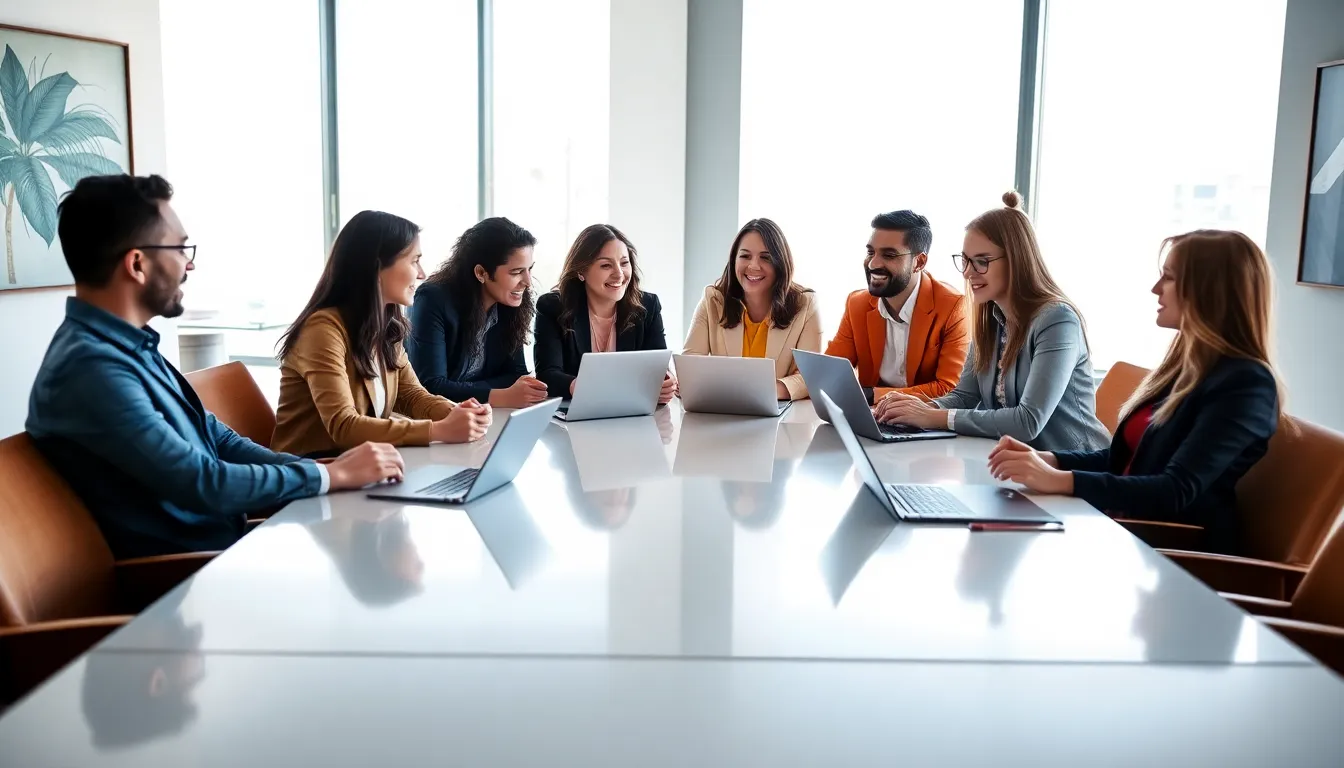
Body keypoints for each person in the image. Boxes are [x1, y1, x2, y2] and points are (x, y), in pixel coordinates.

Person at [26, 174, 403, 559]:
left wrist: (324, 468)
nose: (189, 265)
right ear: (137, 264)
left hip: (225, 547)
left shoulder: (127, 345)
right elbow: (200, 480)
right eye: (180, 249)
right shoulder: (91, 369)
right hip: (182, 579)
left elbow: (216, 438)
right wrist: (328, 476)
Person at [987, 230, 1282, 554]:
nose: (1156, 289)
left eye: (1168, 278)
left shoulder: (1246, 385)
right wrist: (1049, 460)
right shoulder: (1185, 368)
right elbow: (1125, 461)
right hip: (1123, 531)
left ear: (1209, 292)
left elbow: (1174, 490)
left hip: (1173, 555)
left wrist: (1060, 480)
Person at [875, 192, 1109, 452]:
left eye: (982, 262)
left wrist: (934, 417)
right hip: (1012, 464)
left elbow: (1028, 421)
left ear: (1017, 260)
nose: (968, 272)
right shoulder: (991, 318)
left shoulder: (1058, 321)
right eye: (964, 260)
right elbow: (965, 396)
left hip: (1072, 472)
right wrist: (917, 408)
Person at [272, 210, 492, 457]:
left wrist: (457, 413)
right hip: (312, 472)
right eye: (414, 260)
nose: (422, 273)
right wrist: (439, 430)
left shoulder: (387, 326)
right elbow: (344, 426)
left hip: (364, 466)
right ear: (376, 267)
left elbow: (411, 395)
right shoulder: (322, 330)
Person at [825, 210, 969, 404]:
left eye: (889, 255)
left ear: (919, 262)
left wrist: (871, 395)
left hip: (927, 425)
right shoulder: (856, 304)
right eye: (871, 252)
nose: (873, 263)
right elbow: (829, 372)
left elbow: (949, 388)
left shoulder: (952, 307)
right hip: (872, 420)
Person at [407, 217, 548, 407]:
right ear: (481, 273)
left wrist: (463, 388)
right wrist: (500, 395)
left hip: (484, 415)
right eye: (516, 272)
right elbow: (431, 386)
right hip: (438, 420)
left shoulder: (511, 302)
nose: (527, 281)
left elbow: (516, 376)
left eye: (529, 269)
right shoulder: (432, 299)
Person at [682, 218, 821, 400]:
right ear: (734, 260)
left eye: (766, 257)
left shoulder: (805, 303)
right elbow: (690, 364)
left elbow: (812, 376)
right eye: (745, 256)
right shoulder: (713, 299)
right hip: (724, 412)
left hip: (780, 418)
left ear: (780, 263)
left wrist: (764, 390)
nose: (753, 266)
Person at [533, 223, 675, 400]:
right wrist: (578, 386)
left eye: (624, 263)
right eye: (606, 266)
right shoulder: (553, 307)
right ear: (581, 271)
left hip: (633, 415)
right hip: (574, 417)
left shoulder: (648, 305)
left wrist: (665, 383)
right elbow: (547, 375)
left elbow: (658, 368)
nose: (619, 274)